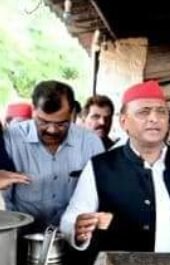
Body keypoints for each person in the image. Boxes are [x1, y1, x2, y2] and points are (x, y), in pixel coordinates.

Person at [61, 81, 170, 254]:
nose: (154, 118)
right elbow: (70, 220)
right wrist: (77, 228)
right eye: (143, 112)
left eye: (161, 112)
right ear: (124, 122)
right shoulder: (100, 167)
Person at [4, 80, 104, 231]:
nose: (52, 130)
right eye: (43, 122)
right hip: (19, 234)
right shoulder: (11, 139)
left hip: (73, 236)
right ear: (34, 111)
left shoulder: (91, 143)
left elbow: (99, 195)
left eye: (61, 124)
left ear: (72, 113)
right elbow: (4, 199)